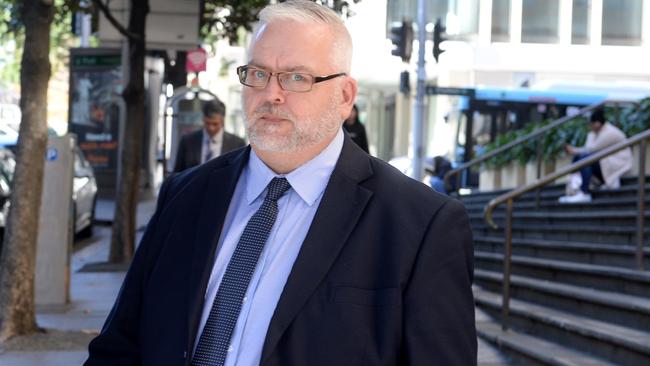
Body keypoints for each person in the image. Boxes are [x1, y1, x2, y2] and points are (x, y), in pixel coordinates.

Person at [85, 1, 476, 365]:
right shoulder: (185, 195)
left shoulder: (421, 225)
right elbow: (119, 347)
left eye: (296, 77)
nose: (271, 94)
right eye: (258, 74)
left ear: (344, 96)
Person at [560, 108, 632, 203]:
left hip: (616, 166)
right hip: (603, 163)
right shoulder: (594, 134)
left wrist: (574, 150)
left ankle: (584, 192)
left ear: (597, 123)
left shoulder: (611, 133)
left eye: (590, 124)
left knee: (585, 158)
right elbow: (588, 148)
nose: (589, 127)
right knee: (579, 158)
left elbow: (592, 149)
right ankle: (575, 190)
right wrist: (575, 151)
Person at [173, 99, 246, 172]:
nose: (211, 128)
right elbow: (178, 173)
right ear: (203, 119)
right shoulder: (187, 141)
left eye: (215, 124)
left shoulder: (237, 144)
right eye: (207, 123)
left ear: (222, 121)